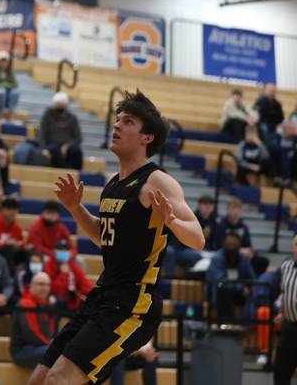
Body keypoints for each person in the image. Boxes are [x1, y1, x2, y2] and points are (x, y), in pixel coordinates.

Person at [28, 90, 204, 385]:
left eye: (128, 122)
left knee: (59, 380)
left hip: (133, 303)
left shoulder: (157, 180)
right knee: (39, 379)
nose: (117, 126)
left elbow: (197, 238)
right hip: (103, 296)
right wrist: (75, 207)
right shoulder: (113, 183)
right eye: (117, 119)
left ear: (146, 137)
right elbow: (102, 236)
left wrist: (171, 220)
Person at [163, 195, 220, 277]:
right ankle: (189, 277)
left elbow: (216, 242)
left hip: (203, 250)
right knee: (197, 255)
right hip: (185, 248)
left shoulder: (214, 222)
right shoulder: (192, 218)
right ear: (199, 205)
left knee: (217, 257)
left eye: (210, 205)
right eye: (205, 204)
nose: (208, 207)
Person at [10, 271, 56, 369]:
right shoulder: (25, 304)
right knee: (56, 353)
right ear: (31, 286)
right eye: (41, 284)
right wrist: (52, 346)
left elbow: (51, 332)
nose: (45, 288)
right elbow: (31, 334)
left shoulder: (47, 305)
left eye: (48, 285)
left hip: (41, 348)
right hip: (22, 351)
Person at [206, 231, 255, 322]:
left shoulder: (242, 258)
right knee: (224, 291)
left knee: (253, 294)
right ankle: (227, 325)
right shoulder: (217, 258)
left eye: (234, 243)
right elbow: (220, 280)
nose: (231, 244)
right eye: (229, 243)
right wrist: (240, 287)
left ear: (239, 245)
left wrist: (248, 288)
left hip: (238, 293)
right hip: (218, 292)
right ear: (224, 243)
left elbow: (251, 278)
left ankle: (247, 327)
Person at [217, 198, 268, 276]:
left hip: (242, 254)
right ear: (228, 211)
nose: (236, 212)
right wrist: (239, 250)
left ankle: (253, 283)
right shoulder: (221, 225)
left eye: (238, 210)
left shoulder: (244, 227)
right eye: (233, 209)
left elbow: (248, 244)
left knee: (263, 261)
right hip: (226, 253)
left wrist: (250, 252)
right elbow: (219, 245)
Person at [272, 235, 297, 385]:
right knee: (280, 370)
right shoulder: (286, 266)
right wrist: (282, 311)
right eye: (296, 244)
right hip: (290, 327)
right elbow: (284, 292)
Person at [38, 92, 83, 170]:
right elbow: (42, 134)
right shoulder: (47, 115)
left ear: (66, 105)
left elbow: (78, 138)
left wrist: (67, 145)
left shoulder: (72, 118)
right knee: (53, 150)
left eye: (62, 105)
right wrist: (44, 149)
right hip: (52, 145)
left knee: (76, 151)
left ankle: (75, 173)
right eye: (57, 105)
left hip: (68, 147)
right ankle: (67, 171)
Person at [45, 238, 93, 311]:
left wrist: (93, 297)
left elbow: (85, 285)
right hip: (54, 300)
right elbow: (56, 290)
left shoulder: (73, 267)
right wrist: (64, 274)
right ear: (54, 251)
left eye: (65, 249)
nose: (63, 251)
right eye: (60, 249)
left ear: (70, 252)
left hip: (72, 302)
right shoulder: (49, 265)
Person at [0, 196, 25, 271]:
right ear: (2, 210)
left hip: (11, 255)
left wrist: (18, 245)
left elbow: (21, 242)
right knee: (7, 250)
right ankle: (11, 277)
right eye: (9, 209)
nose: (12, 212)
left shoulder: (16, 227)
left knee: (25, 253)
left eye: (15, 209)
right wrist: (4, 244)